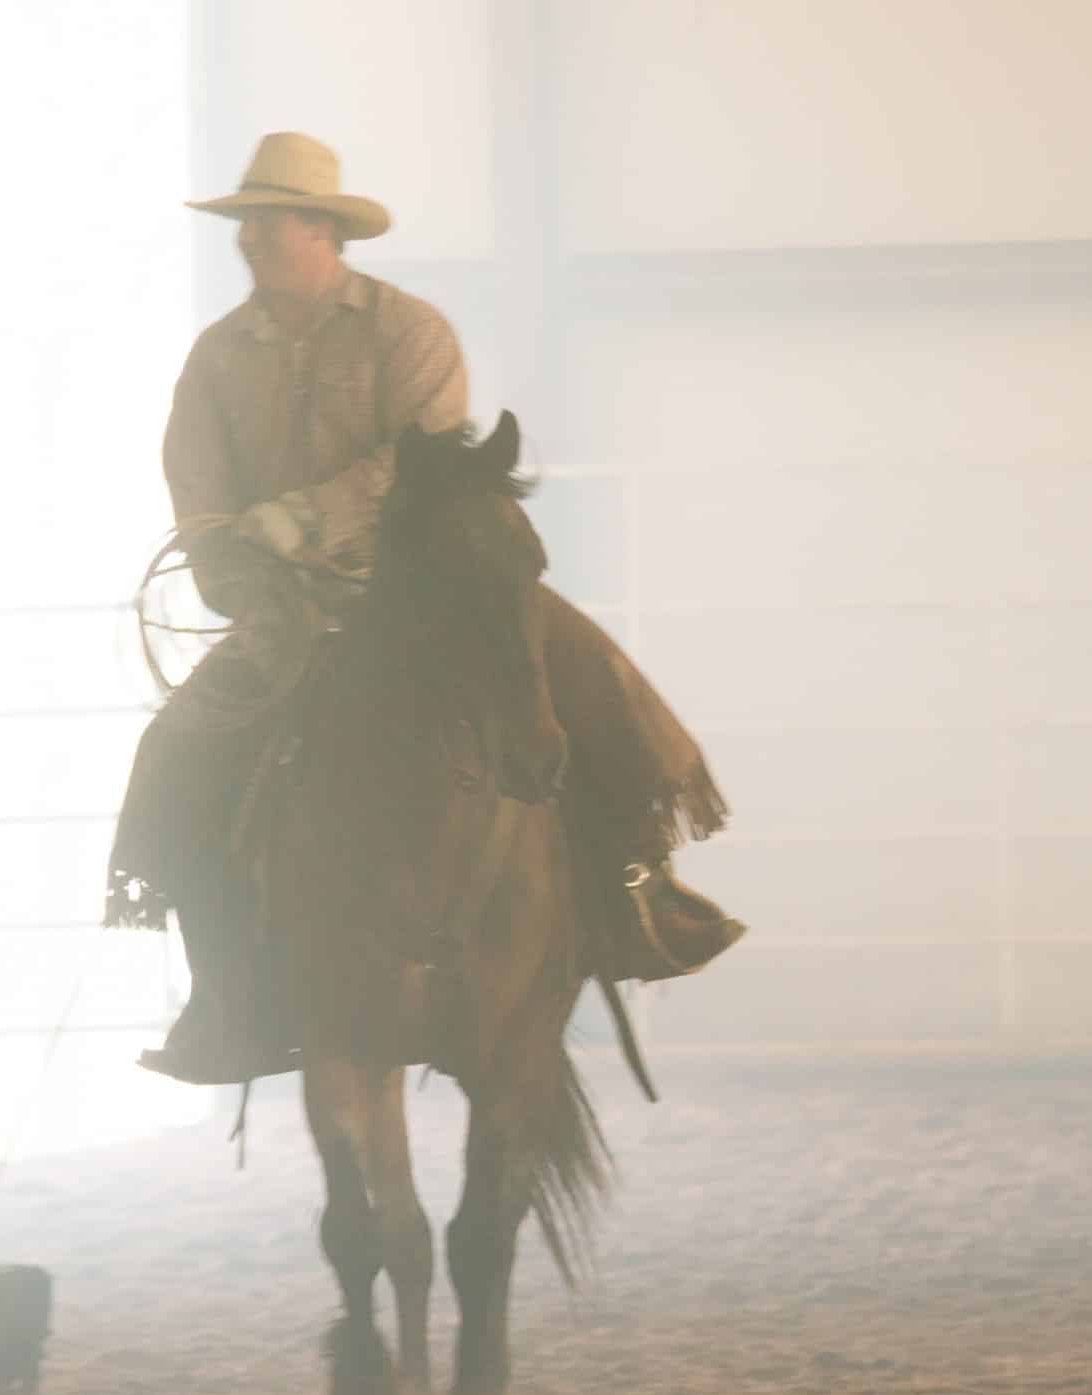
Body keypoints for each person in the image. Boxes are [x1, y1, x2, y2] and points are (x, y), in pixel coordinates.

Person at [109, 132, 744, 1086]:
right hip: (285, 606)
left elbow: (424, 467)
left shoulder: (408, 333)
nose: (247, 240)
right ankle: (225, 989)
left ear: (320, 228)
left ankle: (635, 890)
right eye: (243, 224)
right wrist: (239, 577)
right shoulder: (216, 360)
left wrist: (295, 517)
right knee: (177, 751)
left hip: (427, 588)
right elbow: (195, 489)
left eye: (264, 222)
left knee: (595, 689)